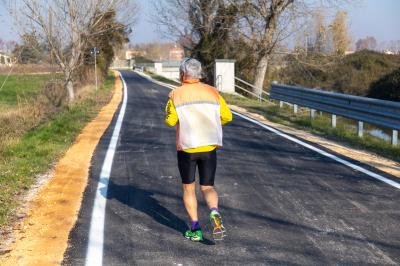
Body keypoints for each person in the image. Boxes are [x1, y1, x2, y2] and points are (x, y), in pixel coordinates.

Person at [165, 58, 232, 242]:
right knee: (207, 187)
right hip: (209, 146)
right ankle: (214, 212)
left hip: (187, 148)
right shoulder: (213, 92)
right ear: (199, 73)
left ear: (181, 74)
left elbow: (170, 120)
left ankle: (195, 228)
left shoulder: (176, 94)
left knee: (189, 188)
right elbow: (227, 116)